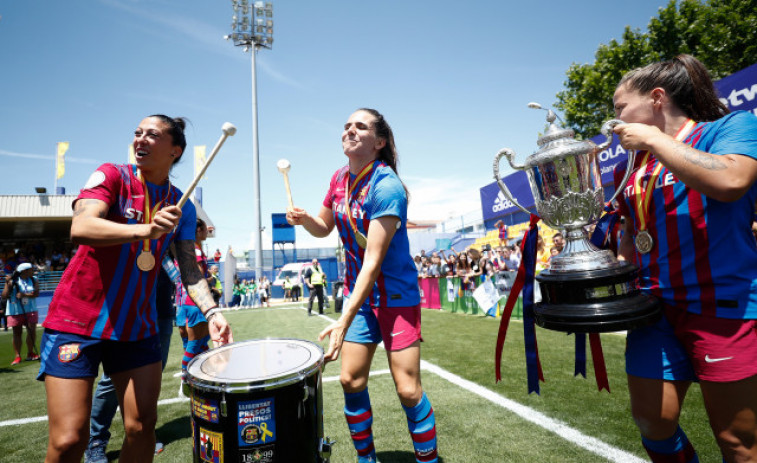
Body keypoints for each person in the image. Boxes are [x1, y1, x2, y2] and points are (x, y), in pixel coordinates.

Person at [37, 114, 233, 463]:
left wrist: (213, 310)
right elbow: (81, 226)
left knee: (142, 430)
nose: (140, 139)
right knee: (69, 440)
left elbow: (189, 267)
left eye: (152, 135)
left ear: (175, 150)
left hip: (136, 327)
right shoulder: (112, 176)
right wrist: (145, 230)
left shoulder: (182, 205)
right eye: (137, 133)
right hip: (77, 321)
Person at [612, 55, 757, 462]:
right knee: (652, 421)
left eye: (621, 108)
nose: (616, 120)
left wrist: (657, 141)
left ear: (657, 98)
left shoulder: (730, 128)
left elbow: (730, 180)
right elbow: (630, 232)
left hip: (722, 306)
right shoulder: (633, 166)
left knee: (736, 441)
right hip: (653, 310)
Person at [286, 108, 438, 463]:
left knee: (408, 389)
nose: (350, 130)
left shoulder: (387, 186)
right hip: (361, 297)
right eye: (346, 125)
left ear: (379, 142)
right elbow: (324, 229)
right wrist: (307, 218)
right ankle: (366, 460)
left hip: (395, 296)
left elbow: (373, 263)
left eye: (361, 126)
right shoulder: (339, 178)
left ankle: (427, 461)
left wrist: (341, 320)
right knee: (350, 381)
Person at [84, 265, 177, 463]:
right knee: (111, 382)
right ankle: (95, 441)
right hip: (129, 311)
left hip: (161, 311)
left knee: (151, 380)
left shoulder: (175, 237)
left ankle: (142, 435)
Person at [175, 218, 214, 371]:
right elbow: (199, 275)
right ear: (198, 230)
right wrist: (209, 279)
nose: (208, 232)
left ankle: (205, 375)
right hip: (196, 303)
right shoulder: (195, 251)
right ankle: (186, 379)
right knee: (195, 345)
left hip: (182, 302)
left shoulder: (183, 248)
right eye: (205, 229)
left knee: (198, 345)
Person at [3, 262, 40, 365]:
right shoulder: (12, 281)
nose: (33, 271)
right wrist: (7, 283)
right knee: (17, 333)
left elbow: (36, 293)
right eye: (31, 269)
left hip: (31, 309)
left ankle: (30, 353)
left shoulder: (34, 279)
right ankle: (17, 356)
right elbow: (4, 296)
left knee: (32, 331)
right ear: (24, 271)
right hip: (15, 310)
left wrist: (24, 294)